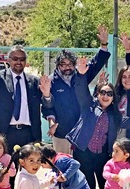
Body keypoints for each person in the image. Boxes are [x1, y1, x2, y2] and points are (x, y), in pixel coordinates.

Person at [45, 25, 111, 154]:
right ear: (58, 66)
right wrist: (52, 123)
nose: (67, 68)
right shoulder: (51, 81)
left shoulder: (81, 75)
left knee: (81, 169)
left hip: (83, 132)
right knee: (62, 168)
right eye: (63, 65)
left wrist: (103, 44)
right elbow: (48, 105)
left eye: (70, 64)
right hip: (62, 133)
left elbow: (96, 63)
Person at [0, 45, 52, 158]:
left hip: (29, 133)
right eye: (15, 58)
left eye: (22, 59)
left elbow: (47, 105)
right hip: (5, 133)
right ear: (9, 60)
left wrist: (47, 94)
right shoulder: (0, 76)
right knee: (7, 172)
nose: (18, 62)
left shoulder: (34, 81)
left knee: (29, 173)